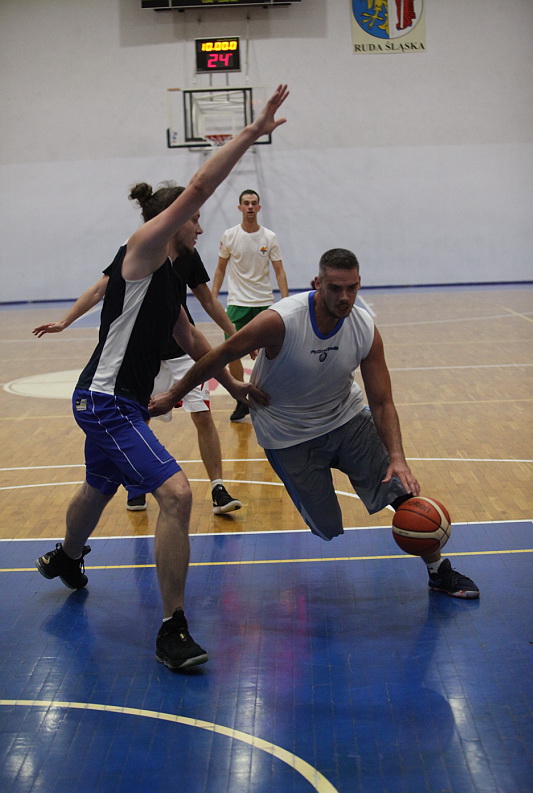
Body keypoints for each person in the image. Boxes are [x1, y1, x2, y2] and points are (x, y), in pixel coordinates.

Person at [35, 84, 289, 671]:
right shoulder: (145, 248)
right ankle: (172, 627)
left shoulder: (170, 276)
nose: (200, 227)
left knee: (98, 485)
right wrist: (253, 133)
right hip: (104, 400)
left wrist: (234, 385)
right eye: (195, 220)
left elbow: (192, 338)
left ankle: (67, 557)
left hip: (116, 401)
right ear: (173, 220)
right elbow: (198, 185)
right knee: (176, 494)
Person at [149, 247, 480, 600]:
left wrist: (397, 457)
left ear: (359, 284)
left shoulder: (364, 328)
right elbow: (221, 354)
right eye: (335, 288)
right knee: (326, 526)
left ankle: (438, 570)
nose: (345, 297)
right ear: (317, 283)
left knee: (402, 490)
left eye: (352, 288)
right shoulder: (281, 321)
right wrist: (177, 394)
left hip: (346, 418)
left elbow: (382, 402)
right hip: (288, 434)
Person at [33, 244, 243, 516]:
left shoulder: (187, 255)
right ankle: (137, 486)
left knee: (202, 415)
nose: (198, 229)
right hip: (145, 356)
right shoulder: (136, 252)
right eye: (194, 223)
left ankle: (218, 488)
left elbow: (206, 301)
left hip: (182, 353)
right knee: (137, 417)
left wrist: (233, 333)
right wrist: (65, 321)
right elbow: (99, 289)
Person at [211, 189, 289, 422]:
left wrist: (286, 301)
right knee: (231, 352)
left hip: (264, 302)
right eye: (246, 203)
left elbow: (279, 271)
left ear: (259, 207)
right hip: (237, 303)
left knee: (273, 353)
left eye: (254, 203)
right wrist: (212, 297)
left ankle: (271, 397)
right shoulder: (230, 236)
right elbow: (220, 268)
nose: (250, 207)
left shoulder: (269, 237)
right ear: (240, 208)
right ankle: (240, 400)